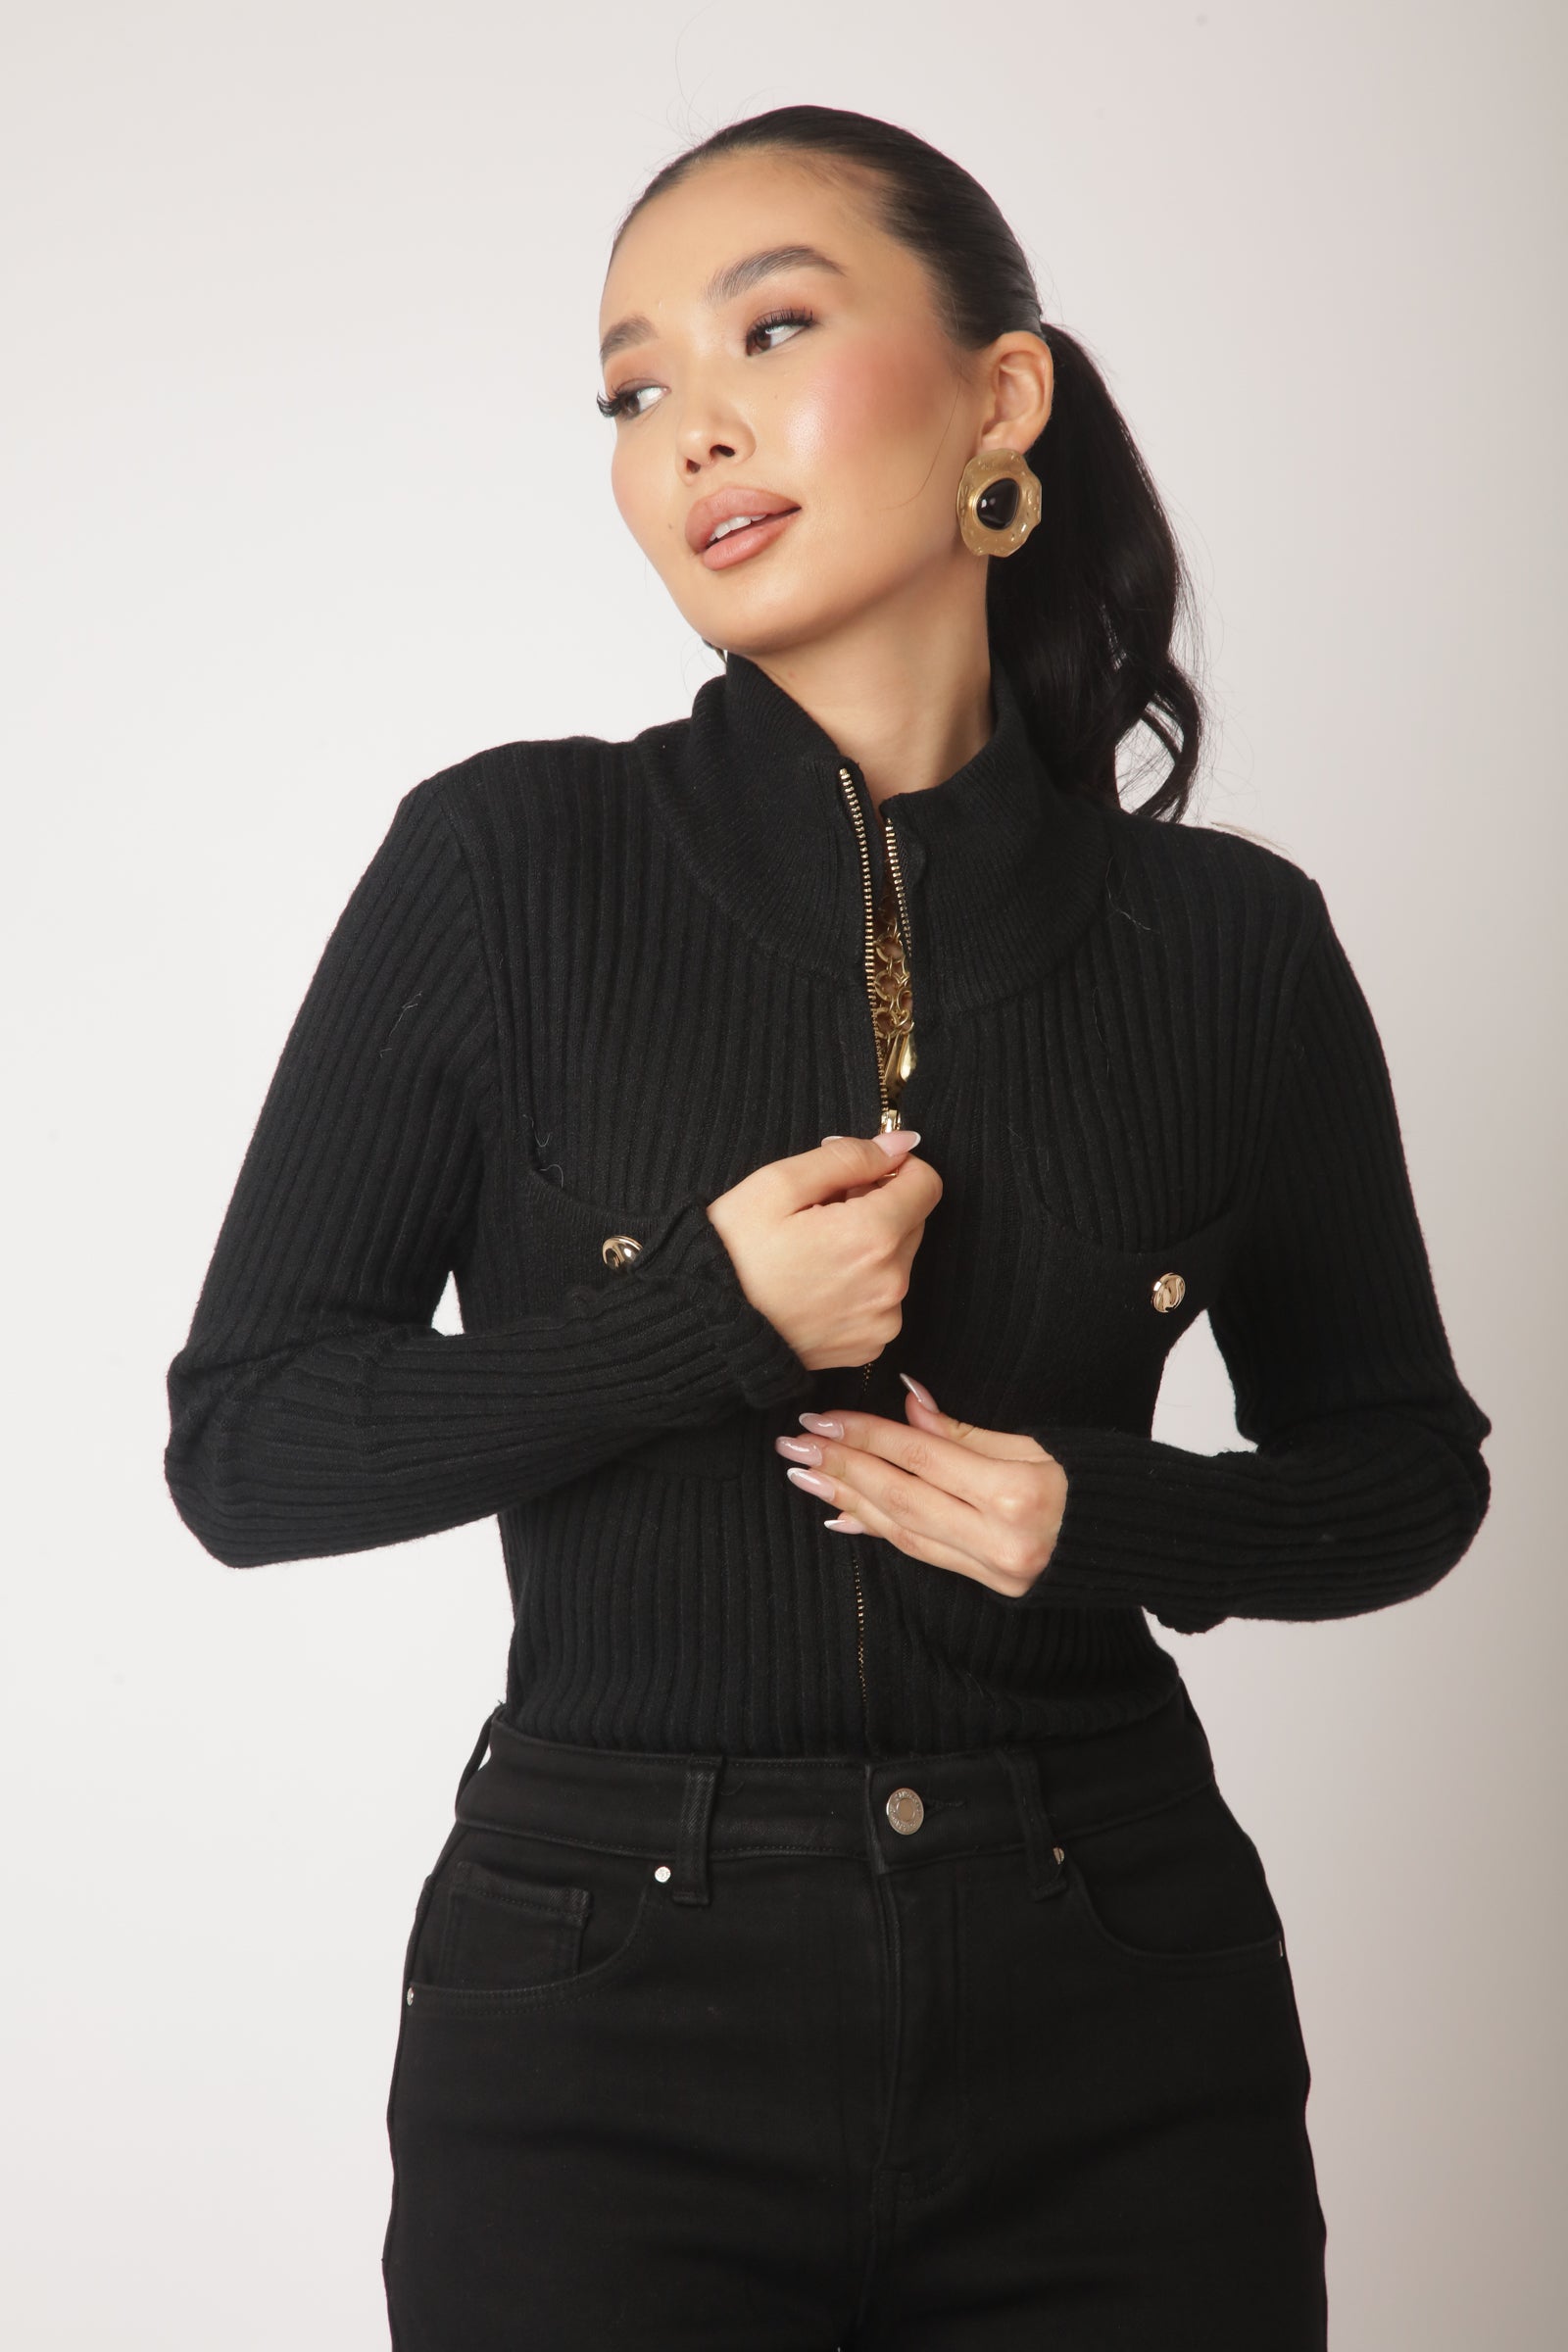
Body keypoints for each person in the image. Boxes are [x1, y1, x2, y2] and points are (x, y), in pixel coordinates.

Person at [163, 104, 1491, 2351]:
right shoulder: (504, 869)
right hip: (605, 2004)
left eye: (768, 331)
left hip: (1113, 1988)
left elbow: (1399, 1471)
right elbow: (248, 1451)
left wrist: (1103, 1517)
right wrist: (696, 1323)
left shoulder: (1227, 945)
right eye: (631, 389)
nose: (689, 428)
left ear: (999, 397)